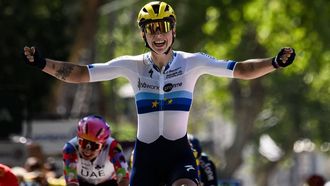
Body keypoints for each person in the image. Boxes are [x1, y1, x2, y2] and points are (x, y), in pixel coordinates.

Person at [22, 1, 296, 185]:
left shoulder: (193, 62)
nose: (158, 34)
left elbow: (241, 70)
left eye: (163, 27)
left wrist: (275, 62)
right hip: (146, 156)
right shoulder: (132, 65)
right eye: (151, 29)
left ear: (172, 30)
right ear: (143, 35)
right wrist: (42, 64)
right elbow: (82, 73)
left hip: (179, 152)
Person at [62, 115, 129, 186]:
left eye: (94, 146)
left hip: (109, 182)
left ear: (103, 144)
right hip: (82, 182)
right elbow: (71, 181)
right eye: (83, 143)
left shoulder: (113, 147)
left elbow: (123, 177)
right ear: (78, 139)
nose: (88, 150)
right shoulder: (70, 148)